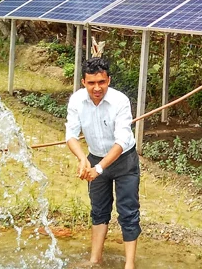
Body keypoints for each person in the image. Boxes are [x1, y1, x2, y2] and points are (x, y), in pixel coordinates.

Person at [65, 57, 141, 269]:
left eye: (101, 82)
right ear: (83, 82)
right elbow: (70, 135)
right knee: (98, 210)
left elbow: (122, 140)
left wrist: (99, 168)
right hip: (94, 157)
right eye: (91, 83)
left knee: (128, 210)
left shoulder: (120, 101)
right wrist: (83, 159)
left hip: (124, 160)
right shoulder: (76, 101)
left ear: (109, 80)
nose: (97, 88)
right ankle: (95, 260)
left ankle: (129, 265)